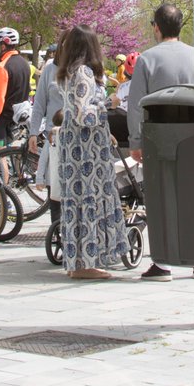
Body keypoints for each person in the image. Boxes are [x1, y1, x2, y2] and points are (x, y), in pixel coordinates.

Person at [55, 24, 129, 280]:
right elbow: (84, 115)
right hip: (85, 152)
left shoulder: (68, 72)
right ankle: (85, 265)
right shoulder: (85, 73)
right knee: (89, 199)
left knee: (76, 203)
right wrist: (111, 102)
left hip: (72, 146)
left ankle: (78, 263)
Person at [128, 3, 194, 281]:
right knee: (193, 196)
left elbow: (135, 105)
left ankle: (162, 263)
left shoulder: (146, 59)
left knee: (159, 198)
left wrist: (135, 140)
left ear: (156, 26)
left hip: (159, 135)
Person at [0, 27, 30, 147]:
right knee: (15, 155)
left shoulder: (2, 67)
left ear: (3, 46)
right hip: (19, 117)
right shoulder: (24, 64)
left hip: (2, 120)